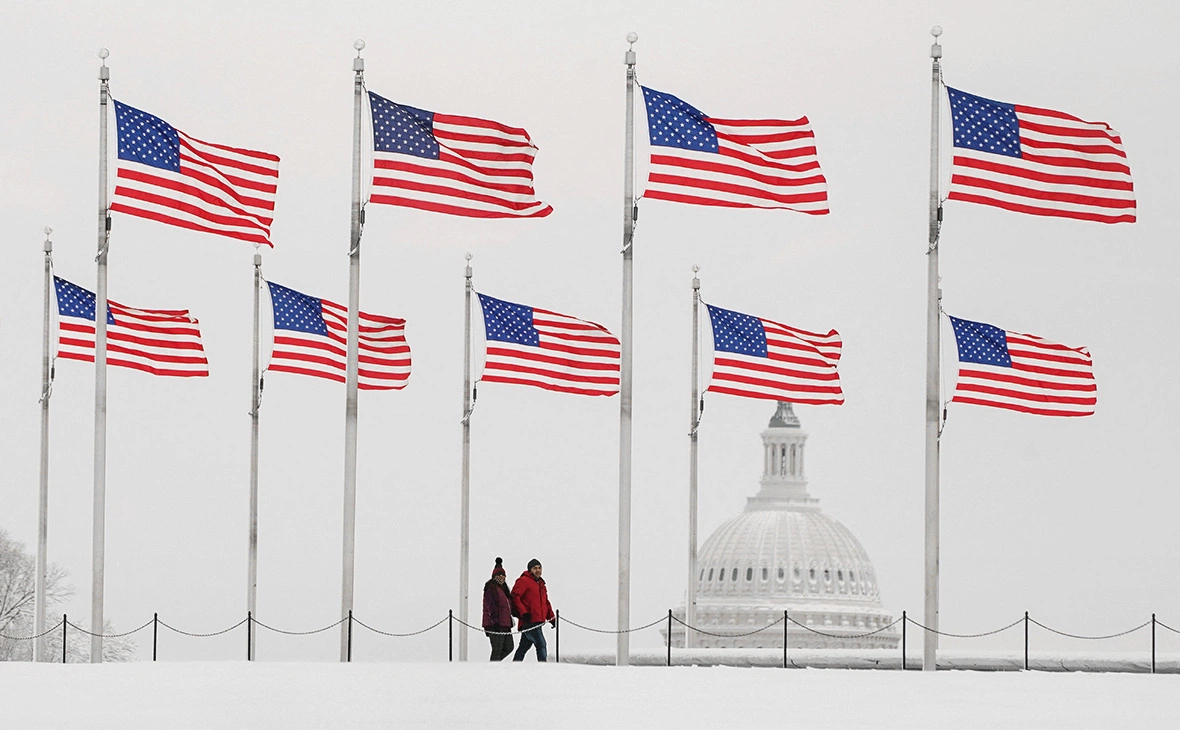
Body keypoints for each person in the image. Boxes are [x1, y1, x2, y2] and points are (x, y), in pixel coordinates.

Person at [511, 558, 554, 662]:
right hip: (529, 621)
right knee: (541, 644)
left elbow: (546, 603)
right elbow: (514, 596)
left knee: (523, 647)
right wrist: (523, 612)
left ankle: (514, 667)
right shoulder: (524, 581)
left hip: (537, 621)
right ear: (530, 570)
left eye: (539, 568)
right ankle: (543, 667)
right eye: (535, 568)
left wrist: (552, 618)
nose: (538, 570)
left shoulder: (541, 584)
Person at [482, 557, 515, 661]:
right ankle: (492, 668)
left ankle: (495, 664)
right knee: (497, 649)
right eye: (499, 575)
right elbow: (490, 606)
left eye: (503, 575)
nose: (501, 577)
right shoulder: (491, 588)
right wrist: (494, 622)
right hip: (495, 625)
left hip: (505, 624)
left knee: (509, 647)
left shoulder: (504, 590)